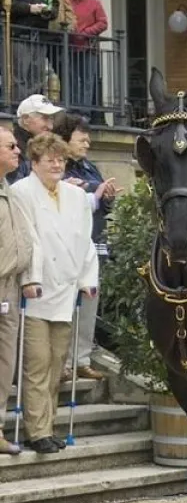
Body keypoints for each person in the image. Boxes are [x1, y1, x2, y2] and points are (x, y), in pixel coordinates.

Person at [10, 132, 98, 454]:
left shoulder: (75, 197)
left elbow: (86, 240)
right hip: (36, 291)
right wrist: (28, 279)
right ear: (34, 163)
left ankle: (48, 426)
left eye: (61, 159)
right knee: (37, 363)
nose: (57, 165)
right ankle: (37, 431)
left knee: (57, 363)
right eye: (50, 160)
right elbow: (27, 239)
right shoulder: (21, 193)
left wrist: (88, 279)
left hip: (65, 290)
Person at [58, 113, 117, 380]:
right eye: (82, 139)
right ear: (66, 140)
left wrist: (105, 195)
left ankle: (81, 359)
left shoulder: (89, 168)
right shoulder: (61, 167)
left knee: (90, 303)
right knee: (67, 307)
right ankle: (64, 363)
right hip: (67, 249)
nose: (87, 144)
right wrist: (95, 191)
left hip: (92, 246)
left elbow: (103, 203)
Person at [0, 128, 35, 454]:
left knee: (5, 362)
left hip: (9, 288)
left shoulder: (8, 188)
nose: (18, 151)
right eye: (11, 146)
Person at [0, 0, 57, 103]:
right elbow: (6, 4)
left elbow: (54, 6)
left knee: (37, 76)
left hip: (39, 36)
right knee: (19, 76)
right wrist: (30, 9)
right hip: (19, 35)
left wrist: (47, 11)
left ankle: (34, 109)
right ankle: (19, 109)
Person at [67, 0, 108, 120]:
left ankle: (84, 113)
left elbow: (103, 23)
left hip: (87, 47)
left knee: (86, 81)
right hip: (69, 47)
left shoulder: (94, 2)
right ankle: (72, 110)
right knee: (71, 79)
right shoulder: (67, 0)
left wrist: (86, 32)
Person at [8, 93, 63, 183]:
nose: (50, 126)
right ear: (26, 119)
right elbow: (15, 190)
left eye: (51, 119)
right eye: (45, 118)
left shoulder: (42, 146)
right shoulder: (13, 148)